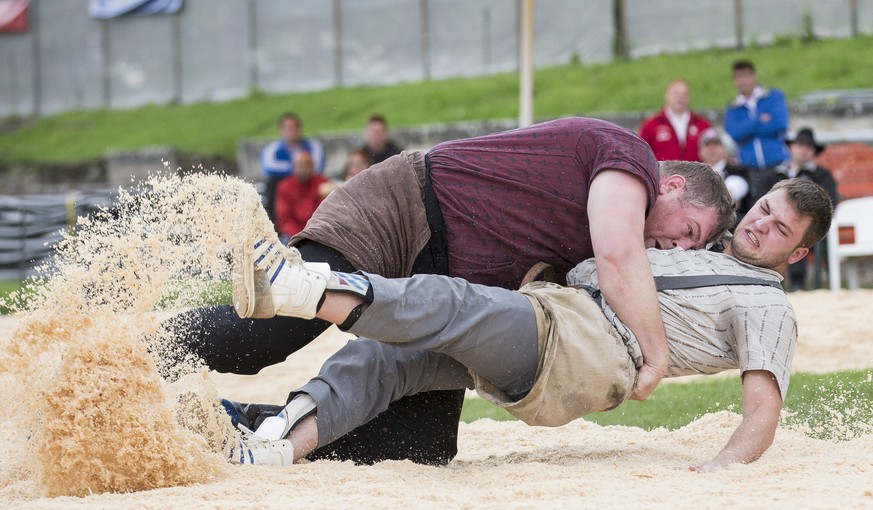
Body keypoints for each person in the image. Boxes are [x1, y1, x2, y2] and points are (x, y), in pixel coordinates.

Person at [170, 117, 735, 466]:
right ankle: (135, 351)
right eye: (688, 231)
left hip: (443, 281)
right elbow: (619, 257)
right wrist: (655, 355)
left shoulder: (607, 225)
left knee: (418, 446)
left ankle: (239, 424)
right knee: (264, 337)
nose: (677, 247)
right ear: (672, 185)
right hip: (402, 213)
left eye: (690, 248)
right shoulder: (631, 157)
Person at [227, 178, 834, 471]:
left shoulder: (767, 306)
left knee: (451, 303)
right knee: (393, 357)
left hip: (585, 347)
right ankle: (276, 447)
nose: (761, 225)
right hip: (555, 318)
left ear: (799, 253)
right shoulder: (701, 249)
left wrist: (723, 469)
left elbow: (763, 409)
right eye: (764, 209)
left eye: (780, 229)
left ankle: (303, 286)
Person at [772, 127, 839, 290]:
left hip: (809, 226)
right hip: (775, 225)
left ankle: (798, 284)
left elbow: (830, 203)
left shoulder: (822, 175)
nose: (804, 150)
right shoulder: (775, 174)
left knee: (799, 234)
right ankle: (772, 283)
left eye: (809, 147)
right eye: (800, 145)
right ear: (791, 147)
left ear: (814, 151)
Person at [723, 60, 789, 207]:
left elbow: (779, 124)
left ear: (754, 76)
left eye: (745, 76)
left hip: (777, 164)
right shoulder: (733, 108)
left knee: (783, 204)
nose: (742, 81)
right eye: (738, 77)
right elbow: (735, 133)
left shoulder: (773, 97)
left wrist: (747, 129)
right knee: (757, 207)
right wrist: (759, 120)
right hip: (750, 169)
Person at [259, 113, 326, 225]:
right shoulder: (272, 149)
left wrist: (299, 168)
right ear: (281, 130)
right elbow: (268, 168)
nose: (291, 130)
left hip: (309, 183)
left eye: (294, 127)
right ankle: (274, 224)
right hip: (285, 184)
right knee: (274, 185)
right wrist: (298, 168)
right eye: (287, 127)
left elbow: (318, 167)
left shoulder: (313, 145)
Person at [639, 79, 712, 162]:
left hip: (695, 170)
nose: (680, 97)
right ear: (666, 95)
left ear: (689, 97)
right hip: (662, 170)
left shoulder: (702, 124)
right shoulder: (651, 125)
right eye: (675, 93)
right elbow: (641, 153)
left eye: (684, 94)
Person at [273, 151, 331, 244]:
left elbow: (327, 214)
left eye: (307, 164)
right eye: (300, 165)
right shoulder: (284, 186)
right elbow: (284, 218)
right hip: (293, 233)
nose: (303, 169)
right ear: (293, 166)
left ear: (313, 166)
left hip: (317, 231)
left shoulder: (322, 183)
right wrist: (301, 235)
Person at [698, 127, 753, 225]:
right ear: (700, 151)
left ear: (725, 149)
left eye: (716, 144)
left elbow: (733, 190)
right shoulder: (696, 174)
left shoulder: (738, 170)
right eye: (707, 145)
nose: (711, 149)